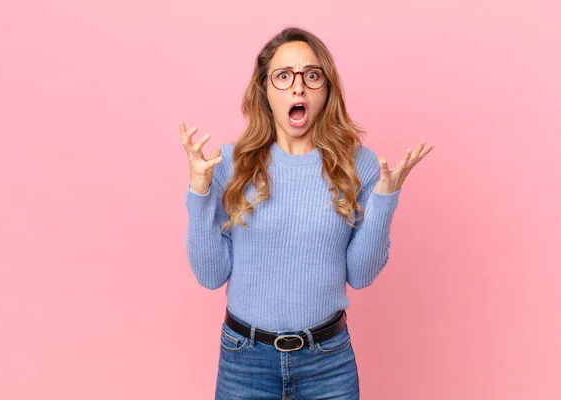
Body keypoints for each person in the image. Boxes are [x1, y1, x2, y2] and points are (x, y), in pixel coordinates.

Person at [181, 27, 434, 400]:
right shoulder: (230, 163)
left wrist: (386, 197)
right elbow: (209, 275)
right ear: (265, 90)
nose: (298, 88)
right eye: (284, 77)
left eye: (311, 76)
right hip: (244, 362)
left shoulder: (358, 165)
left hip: (327, 363)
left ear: (326, 89)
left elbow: (361, 276)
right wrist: (199, 192)